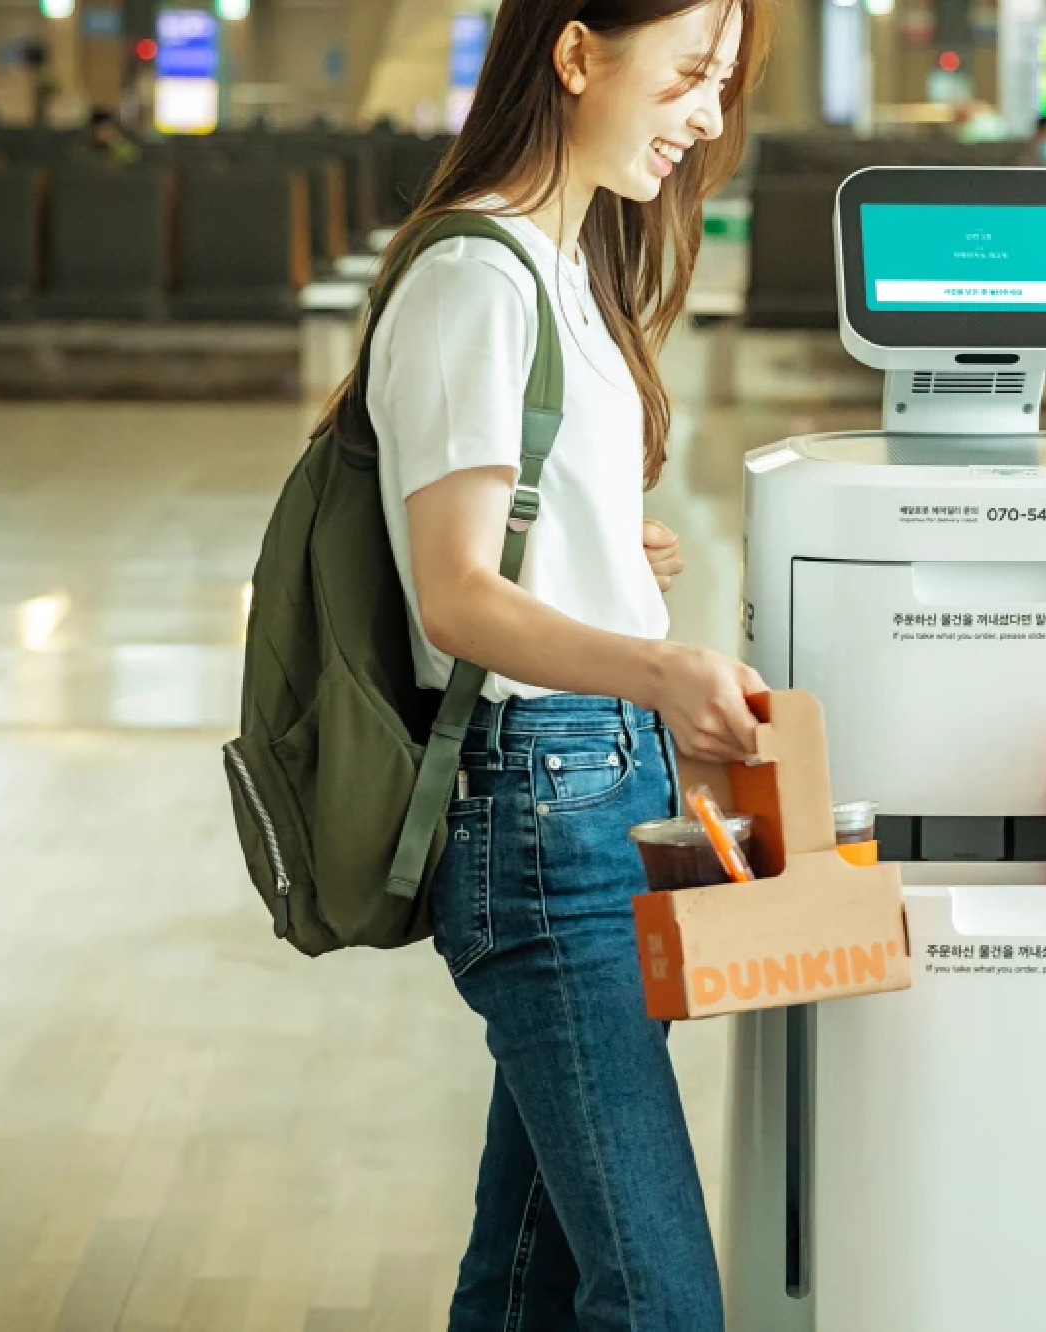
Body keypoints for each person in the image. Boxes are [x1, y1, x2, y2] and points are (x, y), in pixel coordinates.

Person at [308, 1, 770, 1328]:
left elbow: (502, 542)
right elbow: (453, 600)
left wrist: (609, 552)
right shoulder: (477, 274)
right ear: (575, 57)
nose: (705, 115)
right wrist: (657, 664)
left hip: (598, 787)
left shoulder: (561, 263)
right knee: (662, 1297)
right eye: (689, 75)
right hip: (542, 807)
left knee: (531, 1275)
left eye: (723, 83)